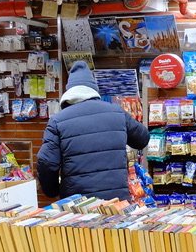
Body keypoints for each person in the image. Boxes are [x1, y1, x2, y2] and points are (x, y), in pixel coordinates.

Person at [37, 61, 150, 200]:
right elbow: (143, 139)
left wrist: (52, 191)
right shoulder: (116, 112)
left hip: (77, 203)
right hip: (116, 201)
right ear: (93, 89)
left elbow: (46, 162)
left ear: (69, 91)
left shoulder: (58, 121)